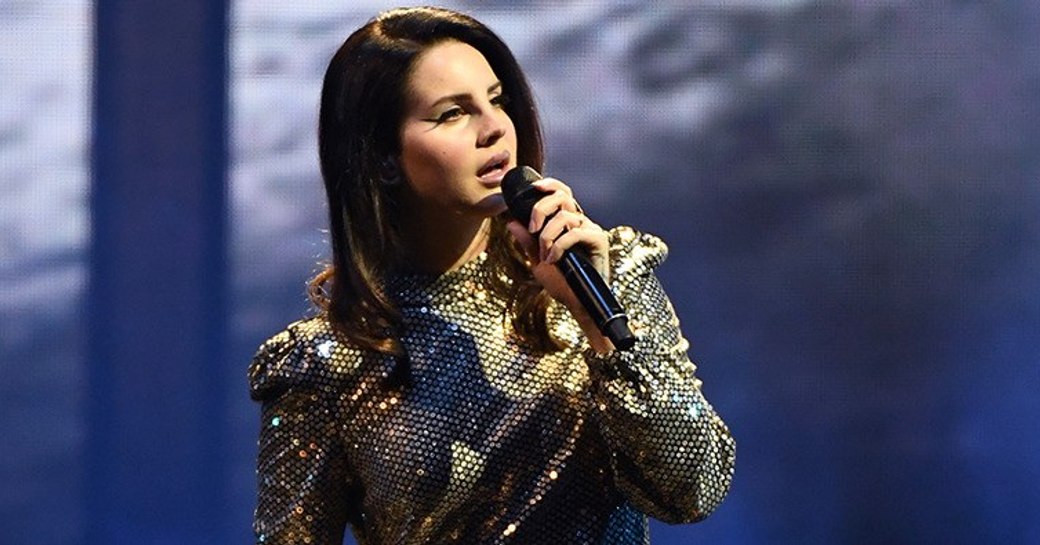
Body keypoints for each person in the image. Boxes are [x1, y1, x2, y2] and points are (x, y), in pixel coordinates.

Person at [248, 6, 735, 545]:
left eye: (496, 100)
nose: (494, 128)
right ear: (384, 158)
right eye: (453, 113)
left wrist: (597, 325)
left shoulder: (604, 273)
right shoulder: (326, 363)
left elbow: (694, 490)